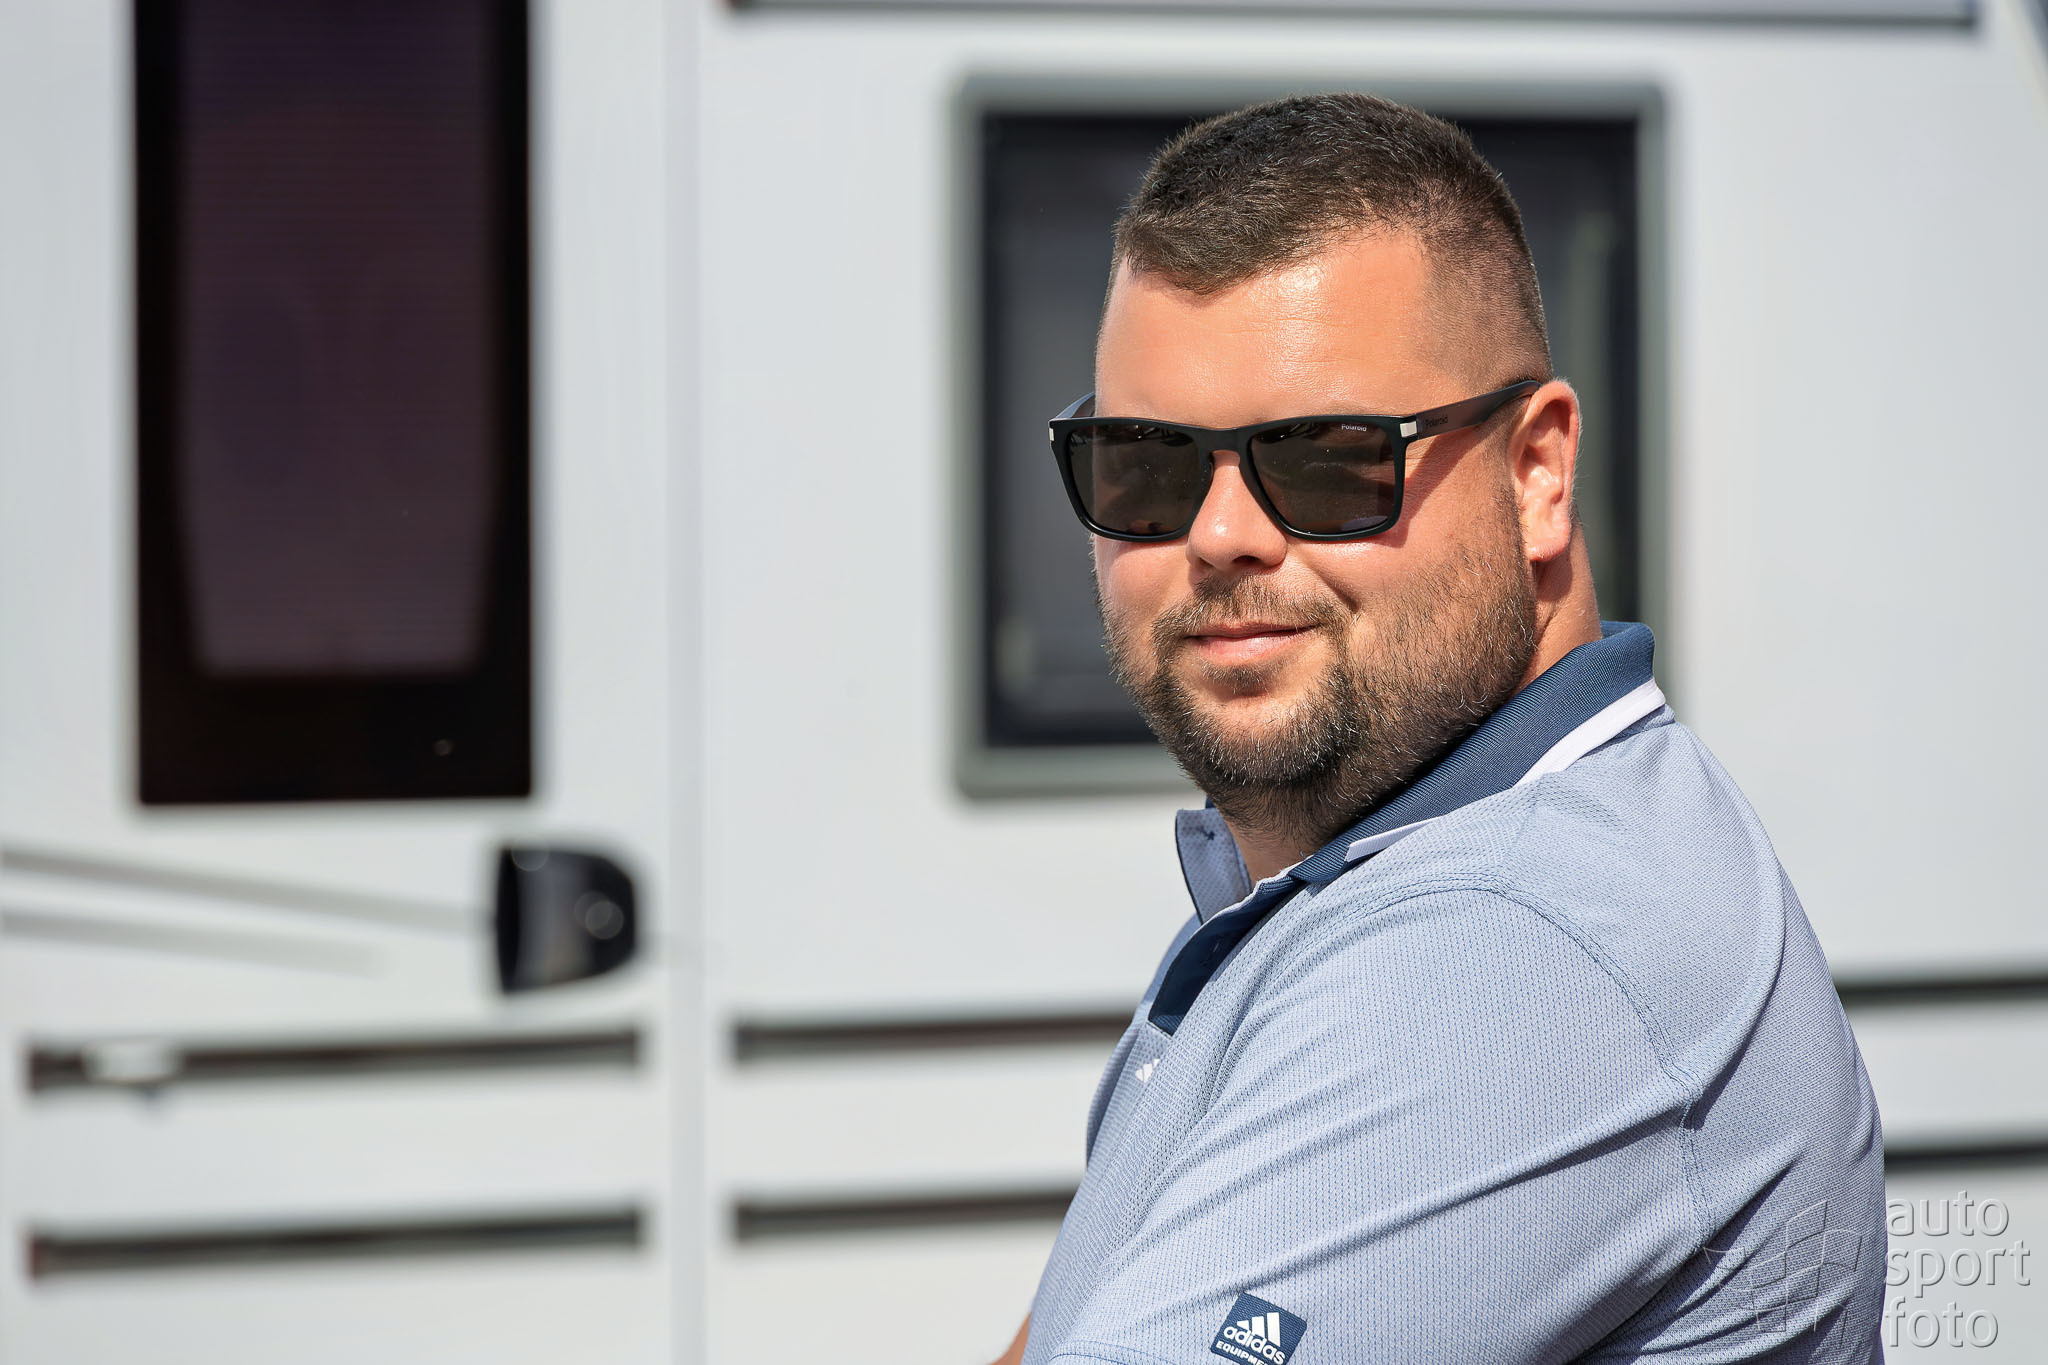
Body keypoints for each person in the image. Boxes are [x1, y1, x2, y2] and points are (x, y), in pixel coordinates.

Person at [993, 93, 1884, 1364]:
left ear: (1537, 473)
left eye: (1327, 460)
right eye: (1144, 465)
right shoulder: (1376, 864)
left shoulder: (1507, 948)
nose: (1220, 535)